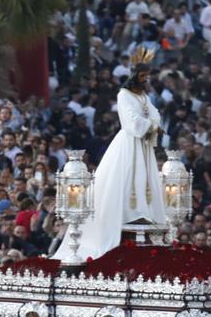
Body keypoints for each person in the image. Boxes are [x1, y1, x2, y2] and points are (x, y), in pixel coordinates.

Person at [68, 47, 166, 262]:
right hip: (130, 142)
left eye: (147, 77)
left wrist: (153, 122)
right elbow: (131, 120)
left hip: (143, 144)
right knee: (128, 174)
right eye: (143, 76)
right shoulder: (124, 95)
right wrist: (150, 124)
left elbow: (156, 114)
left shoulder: (143, 96)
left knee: (146, 177)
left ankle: (144, 211)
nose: (146, 80)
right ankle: (129, 212)